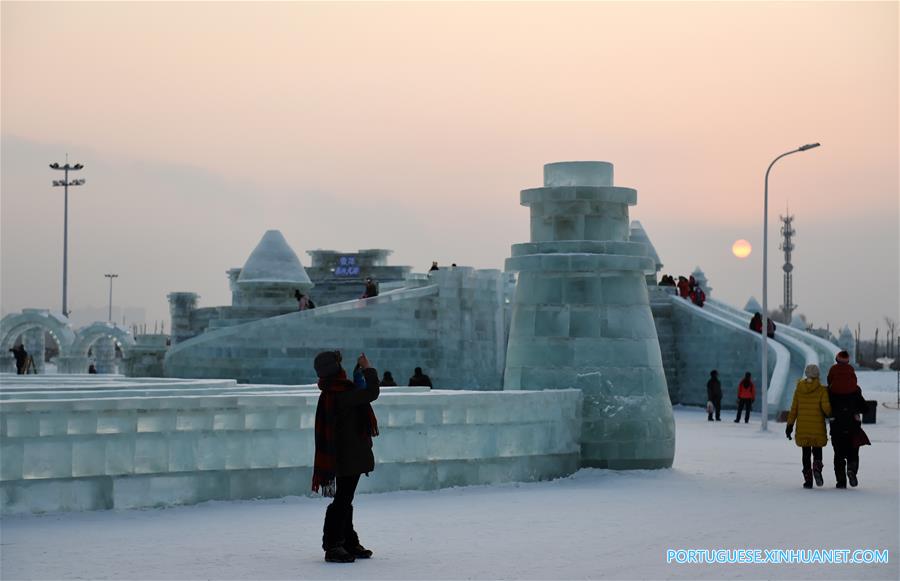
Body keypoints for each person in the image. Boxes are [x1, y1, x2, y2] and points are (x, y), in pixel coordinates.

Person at [312, 350, 380, 563]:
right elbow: (371, 392)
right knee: (342, 500)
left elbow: (361, 393)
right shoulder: (341, 394)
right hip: (347, 456)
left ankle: (347, 541)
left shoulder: (333, 391)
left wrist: (359, 375)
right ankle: (333, 544)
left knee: (344, 499)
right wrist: (368, 368)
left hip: (343, 454)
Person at [827, 351, 870, 488]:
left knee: (838, 454)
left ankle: (841, 481)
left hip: (836, 424)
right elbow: (865, 408)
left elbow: (825, 408)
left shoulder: (830, 391)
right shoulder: (855, 390)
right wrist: (857, 410)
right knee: (853, 451)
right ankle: (851, 469)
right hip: (853, 424)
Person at [785, 364, 832, 488]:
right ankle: (817, 467)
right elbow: (826, 409)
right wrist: (832, 414)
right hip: (817, 428)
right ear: (818, 375)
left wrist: (789, 425)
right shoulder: (822, 390)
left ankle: (808, 480)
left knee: (805, 454)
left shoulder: (799, 389)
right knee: (817, 450)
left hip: (803, 428)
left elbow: (794, 409)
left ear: (806, 374)